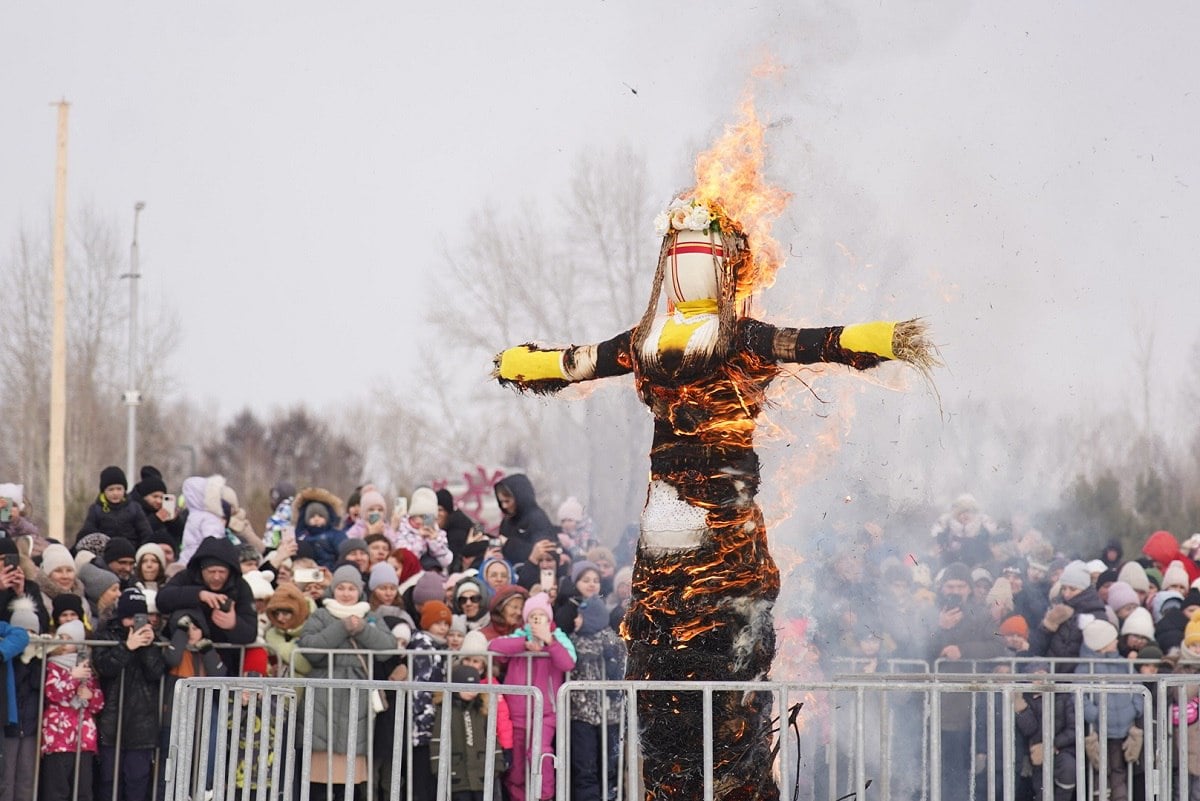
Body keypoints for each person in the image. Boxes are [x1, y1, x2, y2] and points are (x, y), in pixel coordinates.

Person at [297, 565, 394, 801]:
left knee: (349, 777)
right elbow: (310, 648)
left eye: (351, 588)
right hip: (323, 692)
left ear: (359, 591)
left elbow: (387, 649)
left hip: (357, 693)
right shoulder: (321, 615)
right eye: (341, 587)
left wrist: (361, 629)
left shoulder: (370, 616)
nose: (346, 593)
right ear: (333, 589)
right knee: (317, 776)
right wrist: (341, 627)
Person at [489, 592, 576, 801]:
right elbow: (493, 647)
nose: (537, 619)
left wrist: (550, 641)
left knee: (538, 754)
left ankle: (544, 797)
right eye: (532, 616)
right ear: (526, 618)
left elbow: (569, 663)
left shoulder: (559, 637)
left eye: (542, 615)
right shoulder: (519, 635)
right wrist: (524, 644)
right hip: (516, 713)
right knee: (517, 766)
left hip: (545, 712)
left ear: (549, 618)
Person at [92, 587, 166, 801]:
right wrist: (127, 647)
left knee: (137, 782)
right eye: (131, 617)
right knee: (109, 781)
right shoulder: (107, 634)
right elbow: (105, 667)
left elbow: (156, 672)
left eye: (141, 617)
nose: (136, 622)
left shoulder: (154, 640)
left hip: (142, 725)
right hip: (111, 721)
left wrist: (148, 646)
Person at [564, 563, 624, 801]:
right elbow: (572, 650)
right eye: (585, 579)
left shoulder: (609, 633)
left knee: (609, 768)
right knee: (584, 768)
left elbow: (619, 655)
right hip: (582, 711)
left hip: (610, 711)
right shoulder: (570, 625)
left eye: (595, 580)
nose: (591, 584)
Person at [41, 620, 104, 801]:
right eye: (61, 637)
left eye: (68, 638)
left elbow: (99, 703)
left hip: (83, 739)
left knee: (83, 790)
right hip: (58, 736)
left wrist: (90, 696)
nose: (63, 642)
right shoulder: (52, 666)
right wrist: (72, 677)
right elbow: (53, 693)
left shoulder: (87, 668)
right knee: (57, 790)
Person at [1081, 620, 1143, 801]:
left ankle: (1120, 798)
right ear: (1101, 644)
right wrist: (1094, 714)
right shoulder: (1086, 668)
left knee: (1118, 768)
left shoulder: (1124, 664)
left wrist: (1135, 709)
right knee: (1099, 767)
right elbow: (1080, 697)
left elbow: (1138, 687)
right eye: (1112, 639)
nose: (1116, 642)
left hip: (1122, 730)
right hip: (1099, 730)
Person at [431, 663, 506, 801]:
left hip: (483, 775)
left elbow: (492, 738)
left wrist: (498, 764)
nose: (471, 691)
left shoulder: (482, 709)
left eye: (474, 687)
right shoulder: (446, 710)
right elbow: (437, 741)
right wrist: (438, 769)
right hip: (457, 776)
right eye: (466, 687)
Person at [3, 600, 40, 801]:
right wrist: (23, 661)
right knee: (7, 777)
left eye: (32, 632)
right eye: (24, 632)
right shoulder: (9, 659)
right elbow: (14, 685)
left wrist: (34, 659)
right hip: (11, 726)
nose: (29, 638)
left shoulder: (39, 659)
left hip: (31, 726)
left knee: (27, 777)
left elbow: (37, 684)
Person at [75, 466, 152, 546]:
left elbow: (146, 533)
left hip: (131, 552)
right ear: (104, 491)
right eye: (111, 489)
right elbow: (88, 532)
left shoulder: (134, 508)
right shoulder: (96, 510)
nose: (115, 493)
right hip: (105, 552)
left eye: (119, 489)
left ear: (124, 490)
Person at [494, 475, 555, 569]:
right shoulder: (507, 521)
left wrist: (508, 544)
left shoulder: (537, 519)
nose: (504, 506)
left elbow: (545, 553)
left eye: (507, 501)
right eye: (501, 502)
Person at [291, 489, 347, 571]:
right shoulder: (301, 536)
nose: (316, 519)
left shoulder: (335, 535)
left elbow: (343, 552)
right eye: (312, 517)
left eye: (320, 516)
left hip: (330, 569)